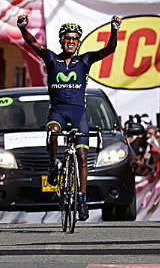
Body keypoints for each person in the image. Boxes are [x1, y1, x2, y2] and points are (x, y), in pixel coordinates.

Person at [18, 13, 122, 221]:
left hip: (78, 113)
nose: (71, 42)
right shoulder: (51, 58)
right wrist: (22, 28)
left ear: (79, 42)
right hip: (58, 110)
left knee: (83, 156)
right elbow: (34, 44)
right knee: (54, 131)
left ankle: (82, 201)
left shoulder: (85, 60)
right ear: (62, 41)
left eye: (75, 39)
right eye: (68, 39)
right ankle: (53, 163)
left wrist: (114, 30)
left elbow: (109, 49)